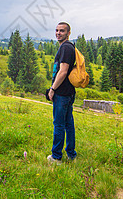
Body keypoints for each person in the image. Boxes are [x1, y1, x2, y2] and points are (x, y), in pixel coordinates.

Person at [47, 22, 76, 164]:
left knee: (59, 124)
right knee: (68, 123)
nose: (58, 33)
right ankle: (71, 154)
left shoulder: (65, 47)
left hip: (62, 92)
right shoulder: (69, 47)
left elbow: (63, 71)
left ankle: (56, 157)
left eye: (62, 31)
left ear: (68, 33)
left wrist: (52, 89)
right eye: (57, 30)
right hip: (69, 91)